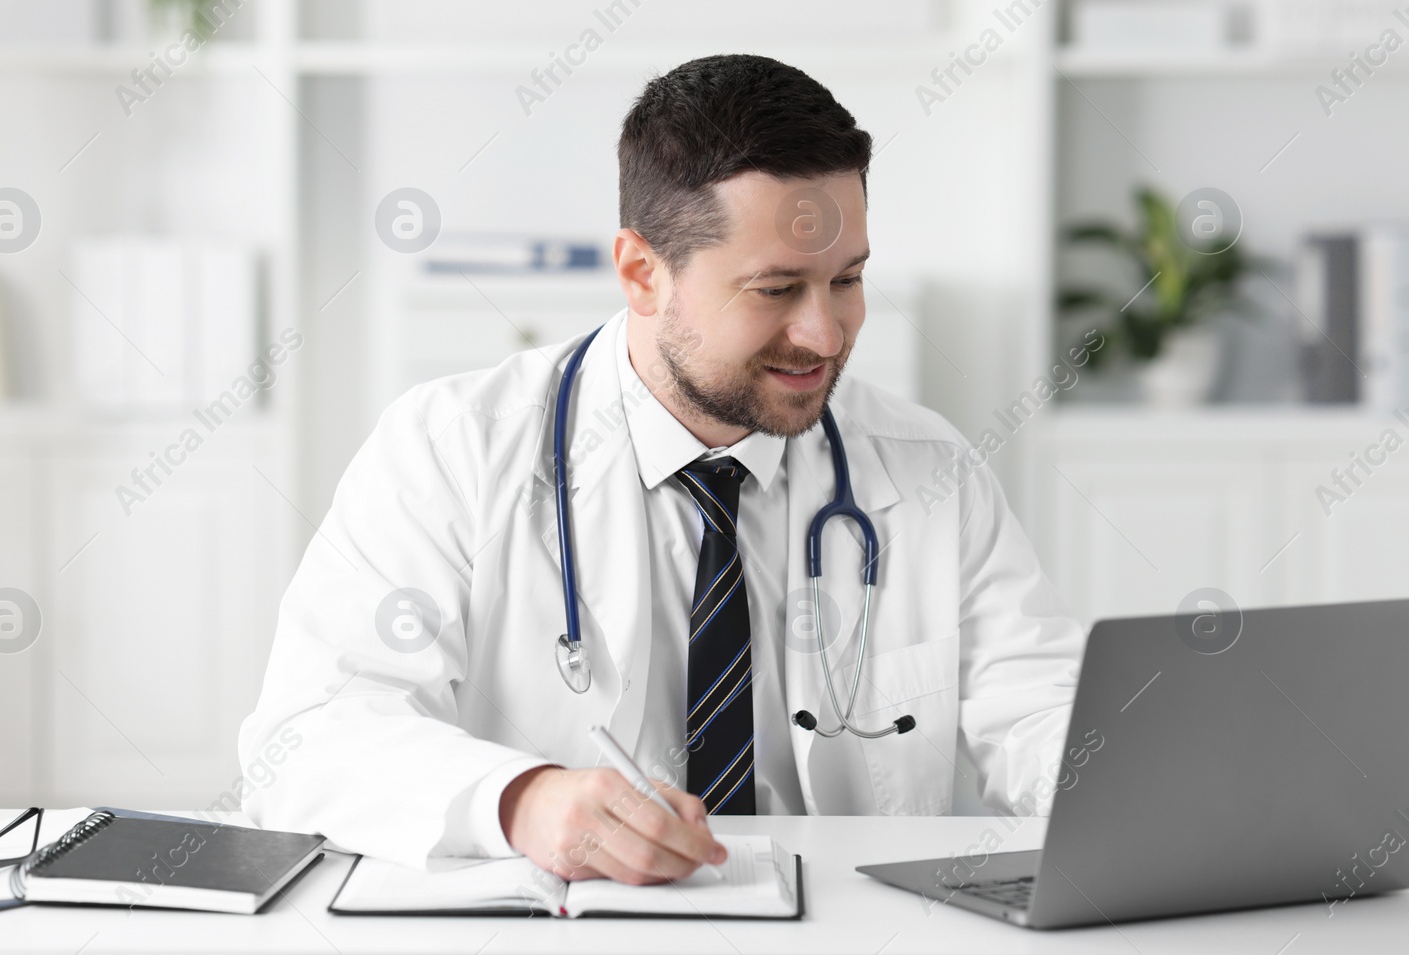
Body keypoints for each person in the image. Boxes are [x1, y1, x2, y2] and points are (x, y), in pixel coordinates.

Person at [238, 53, 1084, 885]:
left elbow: (1041, 711)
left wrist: (1123, 776)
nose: (826, 335)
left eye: (849, 279)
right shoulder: (449, 449)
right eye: (775, 289)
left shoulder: (930, 470)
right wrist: (524, 801)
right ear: (643, 273)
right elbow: (307, 735)